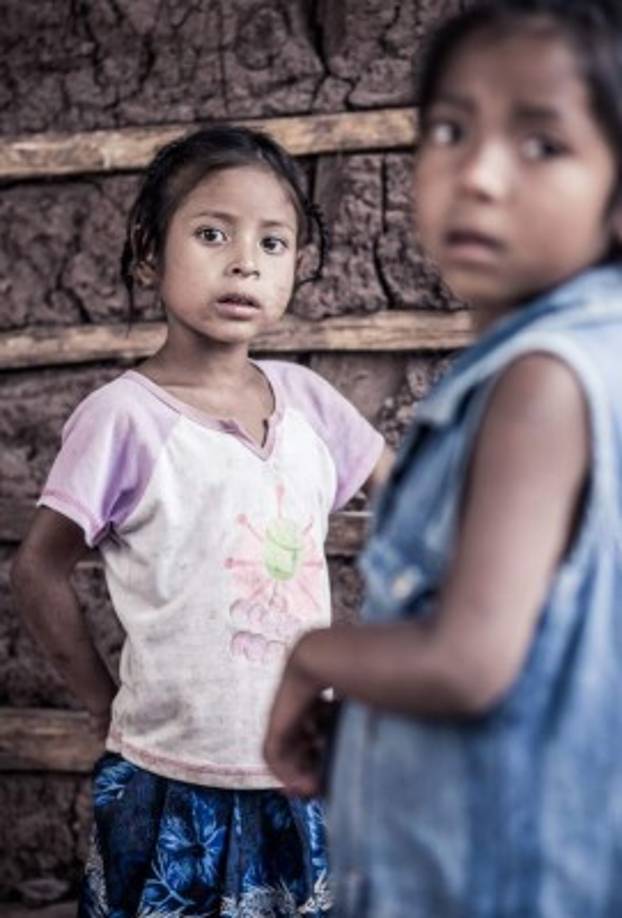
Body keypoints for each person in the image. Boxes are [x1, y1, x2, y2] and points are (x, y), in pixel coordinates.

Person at [263, 1, 622, 914]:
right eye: (451, 130)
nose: (480, 176)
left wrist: (312, 657)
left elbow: (470, 663)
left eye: (542, 143)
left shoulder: (541, 384)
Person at [11, 124, 390, 917]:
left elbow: (414, 506)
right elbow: (39, 567)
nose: (245, 260)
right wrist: (101, 704)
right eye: (212, 233)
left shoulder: (309, 404)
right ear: (151, 253)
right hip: (168, 774)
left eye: (274, 242)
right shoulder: (124, 419)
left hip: (302, 771)